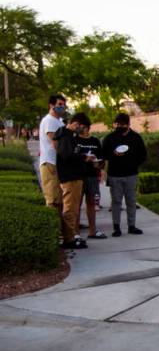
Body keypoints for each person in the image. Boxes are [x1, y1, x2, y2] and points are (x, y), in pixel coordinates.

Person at [54, 112, 97, 249]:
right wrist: (84, 157)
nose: (82, 131)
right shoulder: (66, 137)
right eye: (81, 127)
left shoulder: (68, 136)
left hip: (75, 176)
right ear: (76, 124)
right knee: (70, 209)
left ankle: (70, 236)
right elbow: (68, 156)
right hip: (70, 177)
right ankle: (69, 239)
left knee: (72, 208)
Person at [103, 113, 147, 237]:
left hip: (131, 174)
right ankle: (116, 227)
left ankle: (131, 226)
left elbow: (143, 155)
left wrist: (133, 163)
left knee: (131, 201)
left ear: (128, 124)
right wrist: (113, 154)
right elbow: (103, 154)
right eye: (117, 124)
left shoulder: (136, 137)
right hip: (114, 174)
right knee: (116, 201)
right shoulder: (110, 138)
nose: (119, 127)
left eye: (122, 124)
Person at [38, 95, 67, 238]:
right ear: (51, 105)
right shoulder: (49, 121)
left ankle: (61, 231)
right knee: (53, 200)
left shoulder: (59, 121)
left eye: (64, 104)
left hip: (57, 164)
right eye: (60, 104)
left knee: (60, 200)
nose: (62, 106)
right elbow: (56, 142)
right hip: (50, 164)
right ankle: (52, 234)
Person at [74, 121, 106, 239]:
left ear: (87, 128)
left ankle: (92, 231)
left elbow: (101, 159)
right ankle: (75, 233)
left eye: (83, 127)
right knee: (76, 204)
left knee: (91, 203)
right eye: (79, 127)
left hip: (92, 175)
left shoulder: (95, 141)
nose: (81, 129)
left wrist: (99, 165)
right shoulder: (74, 140)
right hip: (78, 175)